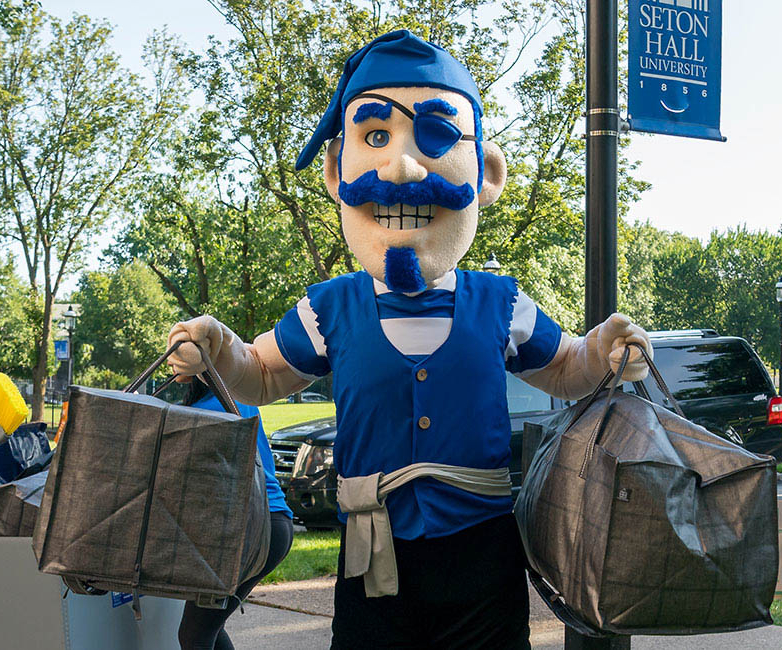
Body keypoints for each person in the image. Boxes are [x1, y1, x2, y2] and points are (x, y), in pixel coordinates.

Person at [165, 30, 652, 649]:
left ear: (486, 173)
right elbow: (260, 373)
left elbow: (565, 366)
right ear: (337, 170)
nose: (401, 166)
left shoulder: (501, 304)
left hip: (481, 556)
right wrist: (217, 348)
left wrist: (603, 349)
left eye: (438, 135)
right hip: (372, 556)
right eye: (374, 137)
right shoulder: (329, 308)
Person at [174, 377, 294, 650]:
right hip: (274, 522)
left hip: (252, 529)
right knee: (206, 629)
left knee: (195, 635)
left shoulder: (210, 410)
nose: (170, 361)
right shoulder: (234, 397)